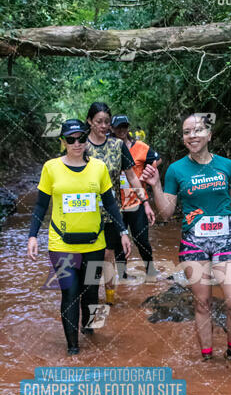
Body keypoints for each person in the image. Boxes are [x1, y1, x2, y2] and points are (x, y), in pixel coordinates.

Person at [142, 113, 231, 361]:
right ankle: (207, 358)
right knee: (202, 303)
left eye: (197, 130)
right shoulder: (176, 170)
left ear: (209, 134)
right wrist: (156, 186)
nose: (192, 136)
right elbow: (166, 213)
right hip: (193, 243)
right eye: (187, 132)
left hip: (225, 241)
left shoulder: (226, 165)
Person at [27, 119, 131, 355]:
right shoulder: (50, 168)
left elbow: (111, 204)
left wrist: (123, 232)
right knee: (70, 292)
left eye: (81, 138)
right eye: (71, 139)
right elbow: (41, 206)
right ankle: (73, 349)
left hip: (95, 242)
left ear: (86, 139)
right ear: (63, 141)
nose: (77, 143)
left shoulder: (99, 168)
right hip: (61, 243)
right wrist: (32, 236)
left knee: (92, 292)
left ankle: (91, 333)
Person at [85, 102, 150, 304]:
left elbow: (132, 177)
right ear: (89, 121)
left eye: (106, 122)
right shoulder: (80, 145)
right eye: (99, 122)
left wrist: (145, 202)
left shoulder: (117, 146)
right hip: (85, 212)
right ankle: (88, 298)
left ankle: (110, 299)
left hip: (111, 210)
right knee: (89, 258)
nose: (103, 126)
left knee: (108, 255)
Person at [111, 114, 160, 279]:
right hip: (116, 204)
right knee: (118, 242)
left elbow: (157, 159)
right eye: (118, 127)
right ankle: (122, 276)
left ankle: (150, 272)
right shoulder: (109, 149)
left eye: (124, 126)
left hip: (136, 201)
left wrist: (148, 172)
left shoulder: (140, 147)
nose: (122, 130)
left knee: (142, 239)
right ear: (112, 129)